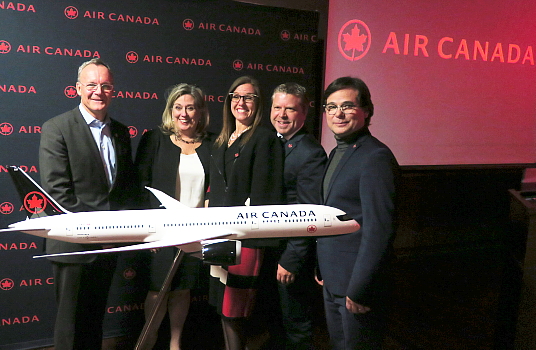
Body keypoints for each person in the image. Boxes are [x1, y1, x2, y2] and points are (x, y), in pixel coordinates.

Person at [39, 58, 138, 350]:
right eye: (92, 85)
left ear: (113, 91)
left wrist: (115, 234)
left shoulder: (120, 132)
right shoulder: (56, 128)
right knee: (70, 328)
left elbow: (122, 189)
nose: (99, 91)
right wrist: (100, 232)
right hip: (73, 245)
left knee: (94, 322)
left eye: (105, 85)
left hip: (107, 246)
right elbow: (58, 192)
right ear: (78, 89)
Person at [316, 76, 399, 349]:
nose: (338, 113)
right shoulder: (337, 152)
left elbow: (379, 230)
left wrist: (360, 288)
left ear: (366, 111)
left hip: (356, 287)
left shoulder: (375, 157)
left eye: (347, 106)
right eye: (331, 106)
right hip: (333, 279)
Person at [209, 76, 285, 350]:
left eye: (249, 97)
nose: (241, 102)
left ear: (258, 104)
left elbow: (266, 196)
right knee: (222, 307)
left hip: (245, 239)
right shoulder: (222, 139)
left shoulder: (264, 139)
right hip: (218, 235)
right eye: (236, 96)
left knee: (235, 311)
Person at [135, 83, 212, 350]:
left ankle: (175, 344)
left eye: (190, 107)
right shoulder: (154, 139)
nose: (184, 114)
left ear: (200, 112)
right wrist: (150, 230)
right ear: (170, 111)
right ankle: (149, 341)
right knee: (158, 290)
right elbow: (141, 187)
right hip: (162, 230)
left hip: (196, 232)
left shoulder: (212, 144)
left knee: (182, 289)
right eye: (178, 107)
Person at [270, 82, 327, 349]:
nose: (281, 114)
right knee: (275, 324)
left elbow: (309, 213)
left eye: (290, 109)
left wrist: (292, 259)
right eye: (277, 107)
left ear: (304, 113)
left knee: (297, 326)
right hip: (271, 247)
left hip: (291, 255)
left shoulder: (310, 153)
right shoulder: (271, 142)